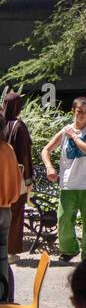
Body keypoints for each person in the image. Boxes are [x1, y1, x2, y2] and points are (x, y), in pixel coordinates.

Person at [40, 97, 86, 262]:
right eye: (79, 111)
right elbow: (46, 150)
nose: (82, 115)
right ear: (73, 111)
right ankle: (69, 249)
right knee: (64, 218)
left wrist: (75, 137)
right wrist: (49, 167)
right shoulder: (65, 130)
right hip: (69, 183)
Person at [2, 90, 33, 259]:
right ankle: (11, 252)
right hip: (16, 177)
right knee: (16, 213)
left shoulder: (1, 124)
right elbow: (24, 155)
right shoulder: (18, 126)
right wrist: (28, 180)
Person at [0, 134, 21, 301]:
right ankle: (6, 302)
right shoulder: (8, 149)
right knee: (2, 259)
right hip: (5, 210)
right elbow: (17, 184)